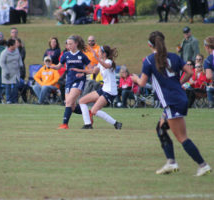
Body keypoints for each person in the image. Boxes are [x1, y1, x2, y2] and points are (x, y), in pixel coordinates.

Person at [131, 31, 212, 176]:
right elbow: (189, 71)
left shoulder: (149, 60)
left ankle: (203, 165)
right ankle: (171, 162)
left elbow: (142, 83)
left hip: (171, 102)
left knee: (182, 137)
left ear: (150, 44)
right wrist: (179, 82)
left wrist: (134, 78)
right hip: (179, 98)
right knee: (161, 128)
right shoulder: (174, 57)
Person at [71, 45, 122, 129]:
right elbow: (93, 71)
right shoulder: (100, 62)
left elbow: (106, 66)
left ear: (104, 54)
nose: (98, 53)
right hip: (104, 89)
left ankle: (116, 123)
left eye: (99, 52)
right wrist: (81, 72)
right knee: (82, 101)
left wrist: (96, 57)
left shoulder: (109, 61)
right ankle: (88, 124)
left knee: (94, 111)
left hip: (110, 92)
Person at [50, 35, 92, 129]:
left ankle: (65, 124)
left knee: (68, 102)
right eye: (68, 44)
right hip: (69, 81)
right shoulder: (66, 55)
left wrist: (82, 73)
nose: (69, 46)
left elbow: (91, 70)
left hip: (79, 81)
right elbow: (59, 66)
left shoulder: (82, 55)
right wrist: (52, 66)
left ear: (76, 44)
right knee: (71, 106)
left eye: (71, 44)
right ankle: (88, 113)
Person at [0, 39, 23, 104]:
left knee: (16, 86)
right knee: (8, 87)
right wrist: (6, 71)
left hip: (15, 72)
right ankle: (8, 100)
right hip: (7, 73)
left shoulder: (17, 51)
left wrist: (20, 64)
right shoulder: (4, 53)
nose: (16, 45)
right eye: (15, 44)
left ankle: (15, 100)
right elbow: (1, 63)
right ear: (11, 45)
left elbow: (19, 58)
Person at [203, 36, 214, 108]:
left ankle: (211, 107)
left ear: (207, 47)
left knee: (209, 89)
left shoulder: (208, 60)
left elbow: (209, 76)